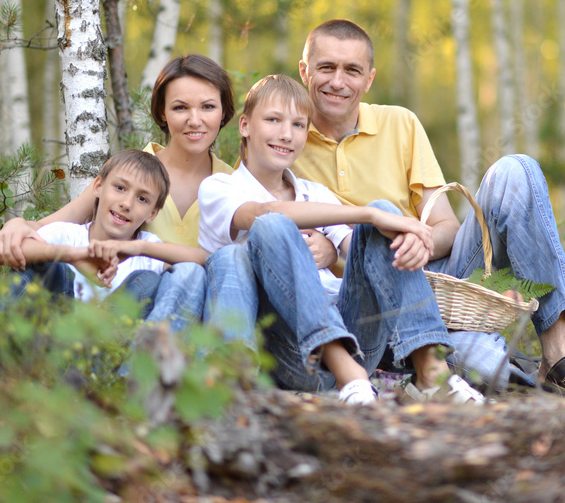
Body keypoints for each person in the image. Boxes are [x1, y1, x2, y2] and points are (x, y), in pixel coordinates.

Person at [290, 19, 565, 401]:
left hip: (433, 280)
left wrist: (417, 241)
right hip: (358, 310)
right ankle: (468, 363)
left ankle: (557, 356)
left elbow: (447, 227)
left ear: (368, 79)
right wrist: (334, 252)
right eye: (326, 68)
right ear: (305, 71)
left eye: (351, 70)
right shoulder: (285, 138)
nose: (338, 81)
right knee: (489, 370)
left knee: (516, 170)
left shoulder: (400, 123)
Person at [0, 55, 335, 330]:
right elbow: (55, 227)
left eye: (208, 107)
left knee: (186, 275)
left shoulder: (235, 188)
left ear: (225, 115)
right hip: (128, 304)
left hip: (200, 316)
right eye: (180, 107)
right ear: (163, 113)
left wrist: (331, 250)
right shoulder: (132, 176)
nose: (195, 120)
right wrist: (17, 225)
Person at [198, 74, 484, 404]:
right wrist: (366, 215)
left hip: (357, 340)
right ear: (245, 125)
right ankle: (344, 371)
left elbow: (357, 252)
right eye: (273, 120)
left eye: (298, 125)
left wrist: (394, 230)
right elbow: (264, 212)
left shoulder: (315, 193)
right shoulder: (219, 188)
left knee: (382, 212)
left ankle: (432, 373)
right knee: (272, 226)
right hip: (288, 352)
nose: (285, 134)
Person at [10, 150, 207, 313]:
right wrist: (73, 255)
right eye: (120, 188)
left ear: (152, 213)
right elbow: (20, 248)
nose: (126, 203)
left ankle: (97, 355)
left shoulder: (147, 251)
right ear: (98, 186)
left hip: (110, 340)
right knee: (47, 265)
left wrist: (137, 248)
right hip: (57, 330)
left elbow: (203, 260)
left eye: (142, 199)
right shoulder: (69, 235)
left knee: (148, 281)